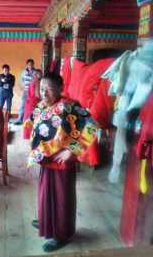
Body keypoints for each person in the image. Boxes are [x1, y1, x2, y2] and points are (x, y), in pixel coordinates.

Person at [25, 73, 97, 252]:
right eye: (41, 89)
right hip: (45, 159)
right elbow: (31, 123)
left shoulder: (69, 106)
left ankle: (62, 234)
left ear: (59, 89)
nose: (44, 93)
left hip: (61, 162)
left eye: (49, 89)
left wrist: (71, 151)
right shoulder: (41, 105)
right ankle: (46, 221)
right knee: (45, 193)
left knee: (61, 198)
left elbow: (91, 126)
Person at [10, 58, 37, 125]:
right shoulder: (24, 72)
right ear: (27, 65)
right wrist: (23, 87)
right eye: (29, 65)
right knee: (22, 105)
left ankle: (32, 120)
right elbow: (21, 80)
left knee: (33, 106)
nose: (30, 66)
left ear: (33, 65)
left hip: (33, 92)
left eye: (32, 64)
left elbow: (37, 81)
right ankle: (20, 119)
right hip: (26, 91)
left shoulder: (36, 72)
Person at [23, 69, 42, 139]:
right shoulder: (37, 81)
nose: (42, 75)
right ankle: (32, 135)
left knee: (28, 118)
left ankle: (27, 135)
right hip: (34, 102)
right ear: (37, 74)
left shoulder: (32, 80)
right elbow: (37, 95)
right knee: (33, 118)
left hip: (29, 102)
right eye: (40, 74)